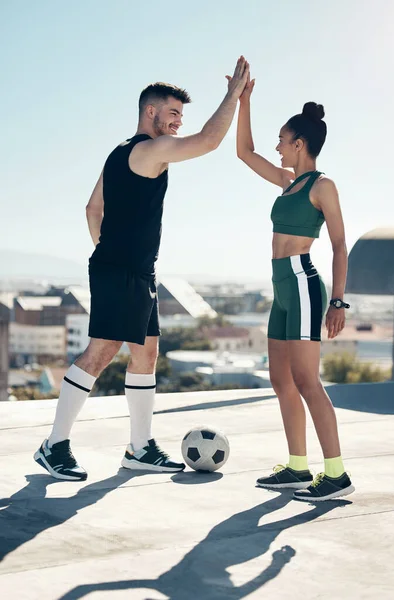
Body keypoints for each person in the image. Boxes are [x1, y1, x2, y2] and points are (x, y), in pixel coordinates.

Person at [34, 57, 250, 481]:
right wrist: (233, 96)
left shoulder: (117, 155)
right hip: (122, 270)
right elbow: (208, 141)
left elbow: (91, 209)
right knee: (101, 352)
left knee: (147, 352)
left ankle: (139, 448)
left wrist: (111, 249)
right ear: (150, 112)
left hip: (132, 269)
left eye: (180, 116)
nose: (177, 123)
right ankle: (53, 445)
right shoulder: (149, 150)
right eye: (172, 114)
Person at [235, 73, 354, 501]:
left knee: (307, 380)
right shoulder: (289, 183)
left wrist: (338, 300)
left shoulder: (324, 186)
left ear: (299, 143)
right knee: (281, 380)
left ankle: (336, 473)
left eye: (282, 140)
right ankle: (298, 468)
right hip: (281, 288)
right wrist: (243, 99)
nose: (277, 146)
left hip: (304, 283)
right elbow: (243, 152)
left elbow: (340, 245)